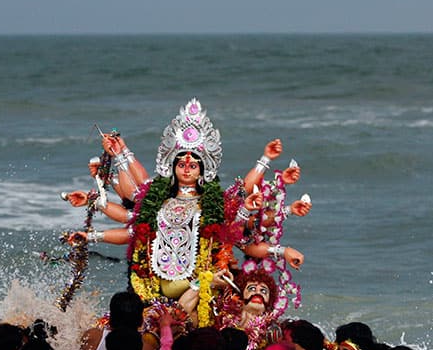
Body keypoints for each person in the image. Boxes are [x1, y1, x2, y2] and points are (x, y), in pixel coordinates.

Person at [64, 99, 307, 325]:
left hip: (199, 291)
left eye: (193, 165)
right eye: (181, 164)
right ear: (173, 167)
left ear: (203, 170)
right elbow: (130, 226)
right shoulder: (158, 201)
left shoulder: (213, 205)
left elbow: (243, 239)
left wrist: (283, 251)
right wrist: (91, 233)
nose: (187, 169)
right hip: (151, 288)